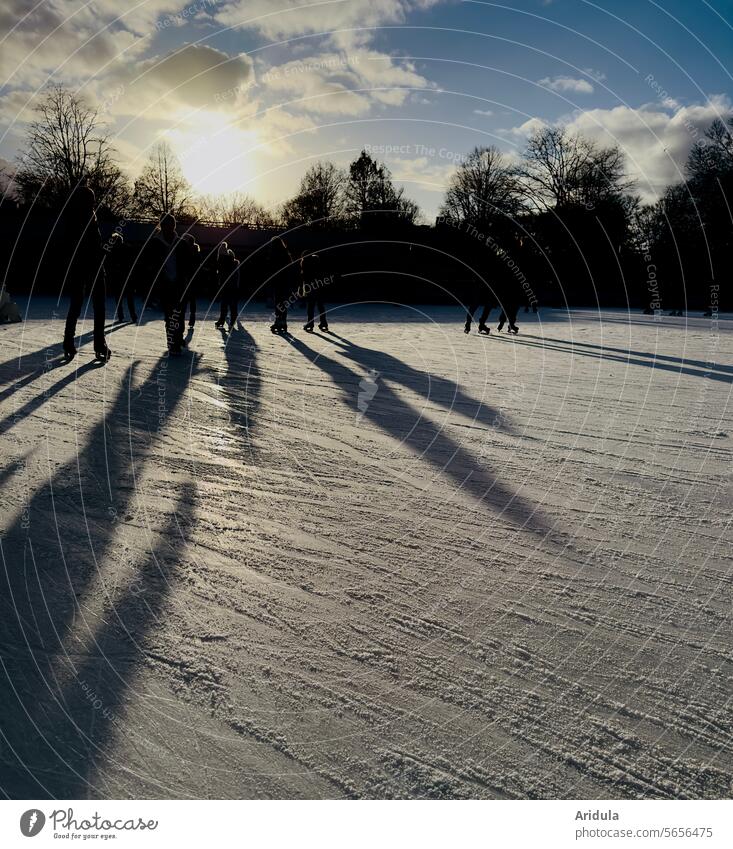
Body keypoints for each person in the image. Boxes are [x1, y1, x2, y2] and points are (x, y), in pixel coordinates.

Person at [62, 186, 110, 361]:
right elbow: (95, 249)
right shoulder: (87, 219)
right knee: (99, 307)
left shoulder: (74, 219)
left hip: (78, 268)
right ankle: (99, 344)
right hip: (93, 268)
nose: (93, 203)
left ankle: (68, 342)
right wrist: (112, 242)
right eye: (92, 200)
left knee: (76, 306)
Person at [148, 213, 184, 353]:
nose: (170, 228)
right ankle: (173, 343)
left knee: (178, 315)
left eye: (172, 225)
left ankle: (177, 337)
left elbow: (187, 265)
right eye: (167, 225)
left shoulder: (180, 243)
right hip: (164, 285)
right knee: (170, 316)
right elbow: (149, 264)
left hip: (179, 285)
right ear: (162, 226)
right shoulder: (155, 243)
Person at [106, 232, 137, 323]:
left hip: (119, 277)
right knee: (129, 298)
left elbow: (110, 265)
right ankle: (132, 316)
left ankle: (121, 316)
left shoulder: (113, 251)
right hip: (126, 276)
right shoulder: (127, 249)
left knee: (119, 298)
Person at [269, 237, 296, 334]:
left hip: (278, 282)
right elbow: (290, 268)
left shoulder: (274, 254)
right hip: (285, 282)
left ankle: (278, 321)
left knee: (278, 303)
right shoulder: (286, 253)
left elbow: (272, 269)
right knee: (284, 303)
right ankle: (283, 322)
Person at [300, 251, 331, 332]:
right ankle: (323, 323)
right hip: (319, 286)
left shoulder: (305, 263)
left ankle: (310, 323)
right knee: (320, 305)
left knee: (311, 306)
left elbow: (304, 278)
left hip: (310, 287)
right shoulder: (317, 262)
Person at [179, 232, 201, 327]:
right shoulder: (196, 252)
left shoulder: (186, 252)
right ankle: (192, 319)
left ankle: (183, 320)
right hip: (193, 280)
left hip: (186, 279)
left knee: (184, 301)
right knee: (192, 300)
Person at [215, 248, 240, 329]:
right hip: (233, 287)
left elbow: (221, 275)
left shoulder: (224, 264)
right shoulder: (235, 264)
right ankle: (232, 320)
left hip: (226, 286)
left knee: (224, 304)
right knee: (232, 305)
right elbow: (236, 276)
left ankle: (222, 320)